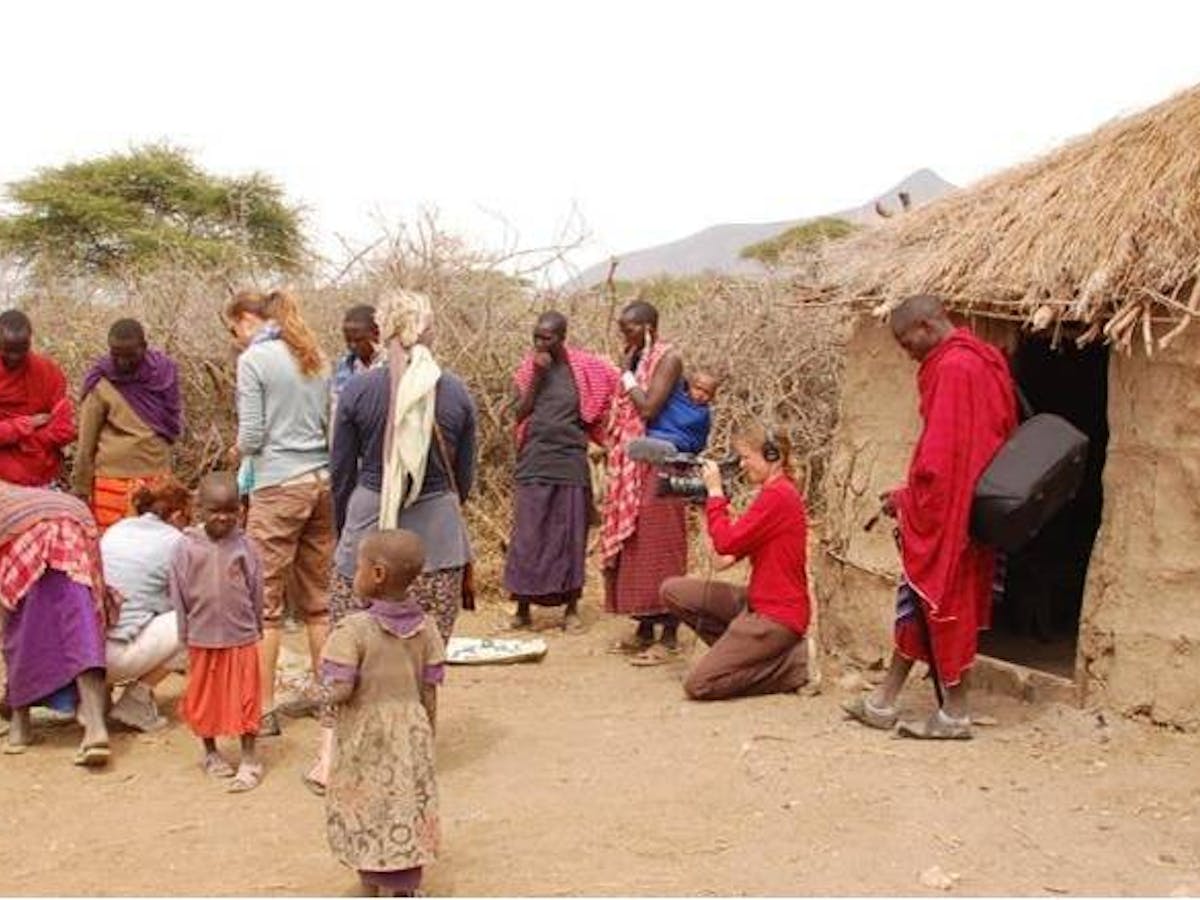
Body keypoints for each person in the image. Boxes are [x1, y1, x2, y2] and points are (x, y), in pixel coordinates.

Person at [308, 290, 475, 794]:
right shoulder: (455, 392)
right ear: (429, 331)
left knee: (347, 641)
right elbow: (465, 476)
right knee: (425, 652)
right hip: (439, 535)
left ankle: (329, 755)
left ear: (381, 332)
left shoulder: (360, 391)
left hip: (369, 525)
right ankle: (415, 747)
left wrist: (349, 531)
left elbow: (341, 471)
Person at [842, 294, 1017, 739]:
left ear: (925, 325)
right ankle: (883, 702)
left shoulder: (956, 369)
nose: (907, 352)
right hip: (973, 504)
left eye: (906, 342)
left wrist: (906, 498)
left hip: (951, 511)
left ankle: (955, 713)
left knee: (941, 602)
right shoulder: (985, 358)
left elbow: (942, 458)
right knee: (916, 602)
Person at [226, 288, 333, 737]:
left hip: (276, 486)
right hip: (321, 482)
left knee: (264, 604)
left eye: (235, 329)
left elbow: (252, 433)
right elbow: (330, 424)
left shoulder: (254, 360)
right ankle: (330, 702)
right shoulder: (316, 355)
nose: (235, 339)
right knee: (320, 602)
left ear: (248, 320)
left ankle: (264, 708)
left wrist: (236, 452)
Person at [322, 529, 443, 899]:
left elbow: (340, 688)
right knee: (406, 806)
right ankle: (405, 887)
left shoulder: (353, 630)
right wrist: (426, 732)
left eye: (358, 566)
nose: (354, 573)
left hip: (366, 737)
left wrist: (318, 696)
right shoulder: (428, 627)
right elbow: (430, 689)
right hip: (411, 732)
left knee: (367, 806)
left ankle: (370, 883)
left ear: (376, 574)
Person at [660, 423, 810, 700]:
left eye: (746, 457)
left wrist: (716, 493)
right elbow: (722, 560)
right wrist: (707, 512)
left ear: (771, 456)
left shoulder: (778, 496)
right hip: (757, 603)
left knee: (699, 685)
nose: (742, 464)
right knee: (673, 590)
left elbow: (726, 543)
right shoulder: (772, 493)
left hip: (776, 616)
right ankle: (741, 656)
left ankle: (794, 666)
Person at [505, 311, 618, 632]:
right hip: (535, 458)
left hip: (570, 458)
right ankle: (523, 607)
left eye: (548, 338)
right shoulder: (530, 369)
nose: (540, 343)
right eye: (536, 337)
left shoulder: (584, 368)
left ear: (562, 337)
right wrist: (537, 379)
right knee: (529, 535)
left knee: (570, 533)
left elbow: (607, 395)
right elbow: (519, 413)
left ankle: (571, 608)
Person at [601, 300, 689, 664]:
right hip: (634, 465)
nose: (625, 336)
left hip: (663, 463)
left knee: (661, 545)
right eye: (622, 329)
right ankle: (643, 626)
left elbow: (649, 407)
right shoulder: (638, 358)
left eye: (631, 329)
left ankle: (669, 631)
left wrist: (624, 374)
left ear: (650, 326)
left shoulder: (668, 359)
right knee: (636, 545)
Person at [0, 482, 110, 766]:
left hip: (37, 531)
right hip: (74, 528)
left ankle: (20, 724)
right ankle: (94, 723)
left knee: (21, 629)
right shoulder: (17, 493)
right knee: (80, 624)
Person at [169, 472, 265, 792]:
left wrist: (256, 629)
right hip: (202, 636)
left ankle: (250, 756)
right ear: (199, 509)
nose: (223, 518)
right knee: (204, 700)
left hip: (241, 635)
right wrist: (185, 637)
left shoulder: (246, 546)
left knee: (246, 697)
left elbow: (256, 590)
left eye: (231, 510)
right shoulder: (185, 548)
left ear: (241, 510)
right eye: (215, 511)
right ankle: (211, 752)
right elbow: (179, 594)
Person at [73, 319, 184, 530]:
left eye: (130, 355)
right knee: (111, 545)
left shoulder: (164, 374)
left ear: (144, 346)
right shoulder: (101, 381)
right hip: (112, 480)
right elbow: (86, 442)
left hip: (157, 475)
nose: (123, 362)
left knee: (158, 544)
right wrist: (81, 487)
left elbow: (172, 421)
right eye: (116, 355)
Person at [102, 478, 192, 732]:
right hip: (117, 657)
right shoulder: (176, 541)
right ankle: (137, 698)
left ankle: (100, 695)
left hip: (86, 652)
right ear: (176, 515)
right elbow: (185, 601)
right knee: (201, 619)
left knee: (127, 612)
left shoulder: (117, 529)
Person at [0, 309, 76, 487]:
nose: (14, 358)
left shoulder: (48, 372)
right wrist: (26, 425)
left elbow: (64, 429)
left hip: (42, 475)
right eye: (8, 350)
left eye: (21, 350)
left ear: (30, 341)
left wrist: (28, 441)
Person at [646, 369, 719, 455]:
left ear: (712, 397)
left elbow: (699, 440)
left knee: (678, 443)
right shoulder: (676, 396)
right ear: (690, 386)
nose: (700, 394)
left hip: (679, 442)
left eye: (706, 392)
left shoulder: (703, 414)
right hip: (656, 432)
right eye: (698, 388)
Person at [331, 304, 384, 421]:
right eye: (348, 340)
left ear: (376, 334)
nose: (352, 346)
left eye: (358, 340)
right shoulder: (345, 367)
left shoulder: (390, 367)